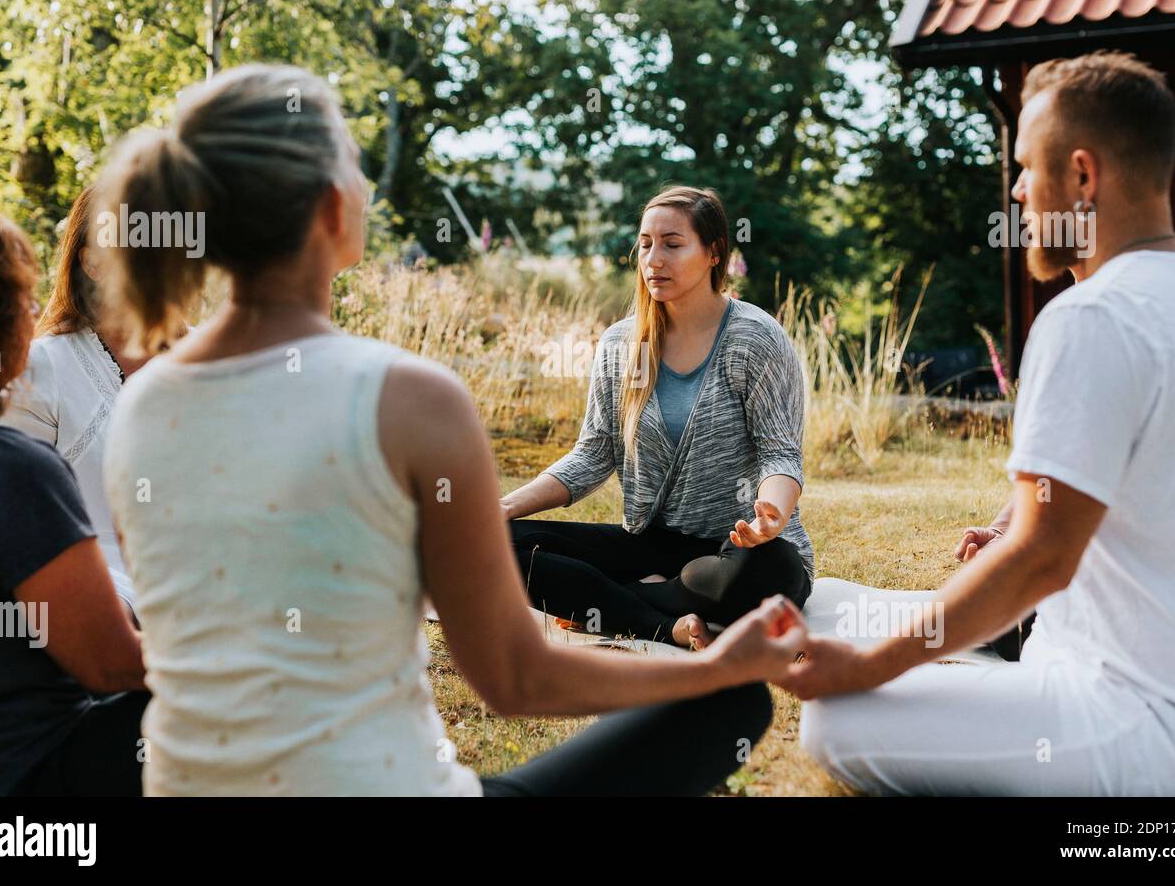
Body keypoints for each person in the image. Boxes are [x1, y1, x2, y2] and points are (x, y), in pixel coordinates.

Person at [96, 63, 806, 797]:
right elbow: (514, 678)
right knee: (733, 702)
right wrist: (718, 669)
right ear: (334, 206)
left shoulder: (142, 404)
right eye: (356, 165)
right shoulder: (410, 398)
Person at [788, 51, 1175, 795]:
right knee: (828, 601)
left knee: (837, 721)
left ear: (1083, 177)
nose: (1018, 190)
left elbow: (1041, 560)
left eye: (1028, 167)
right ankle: (965, 666)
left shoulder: (1092, 315)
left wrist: (871, 669)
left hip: (1150, 727)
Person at [502, 185, 813, 648]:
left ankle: (616, 602)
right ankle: (664, 623)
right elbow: (593, 454)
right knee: (496, 543)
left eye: (672, 244)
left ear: (714, 253)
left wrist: (772, 515)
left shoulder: (754, 338)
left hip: (737, 549)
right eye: (645, 244)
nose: (653, 259)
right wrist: (503, 508)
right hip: (650, 542)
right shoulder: (622, 346)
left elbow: (779, 452)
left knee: (772, 574)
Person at [0, 202, 147, 796]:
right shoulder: (12, 469)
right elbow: (111, 664)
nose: (33, 315)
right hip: (22, 775)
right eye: (21, 302)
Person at [0, 186, 154, 614]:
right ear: (92, 263)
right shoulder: (38, 370)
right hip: (100, 604)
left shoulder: (218, 361)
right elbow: (19, 530)